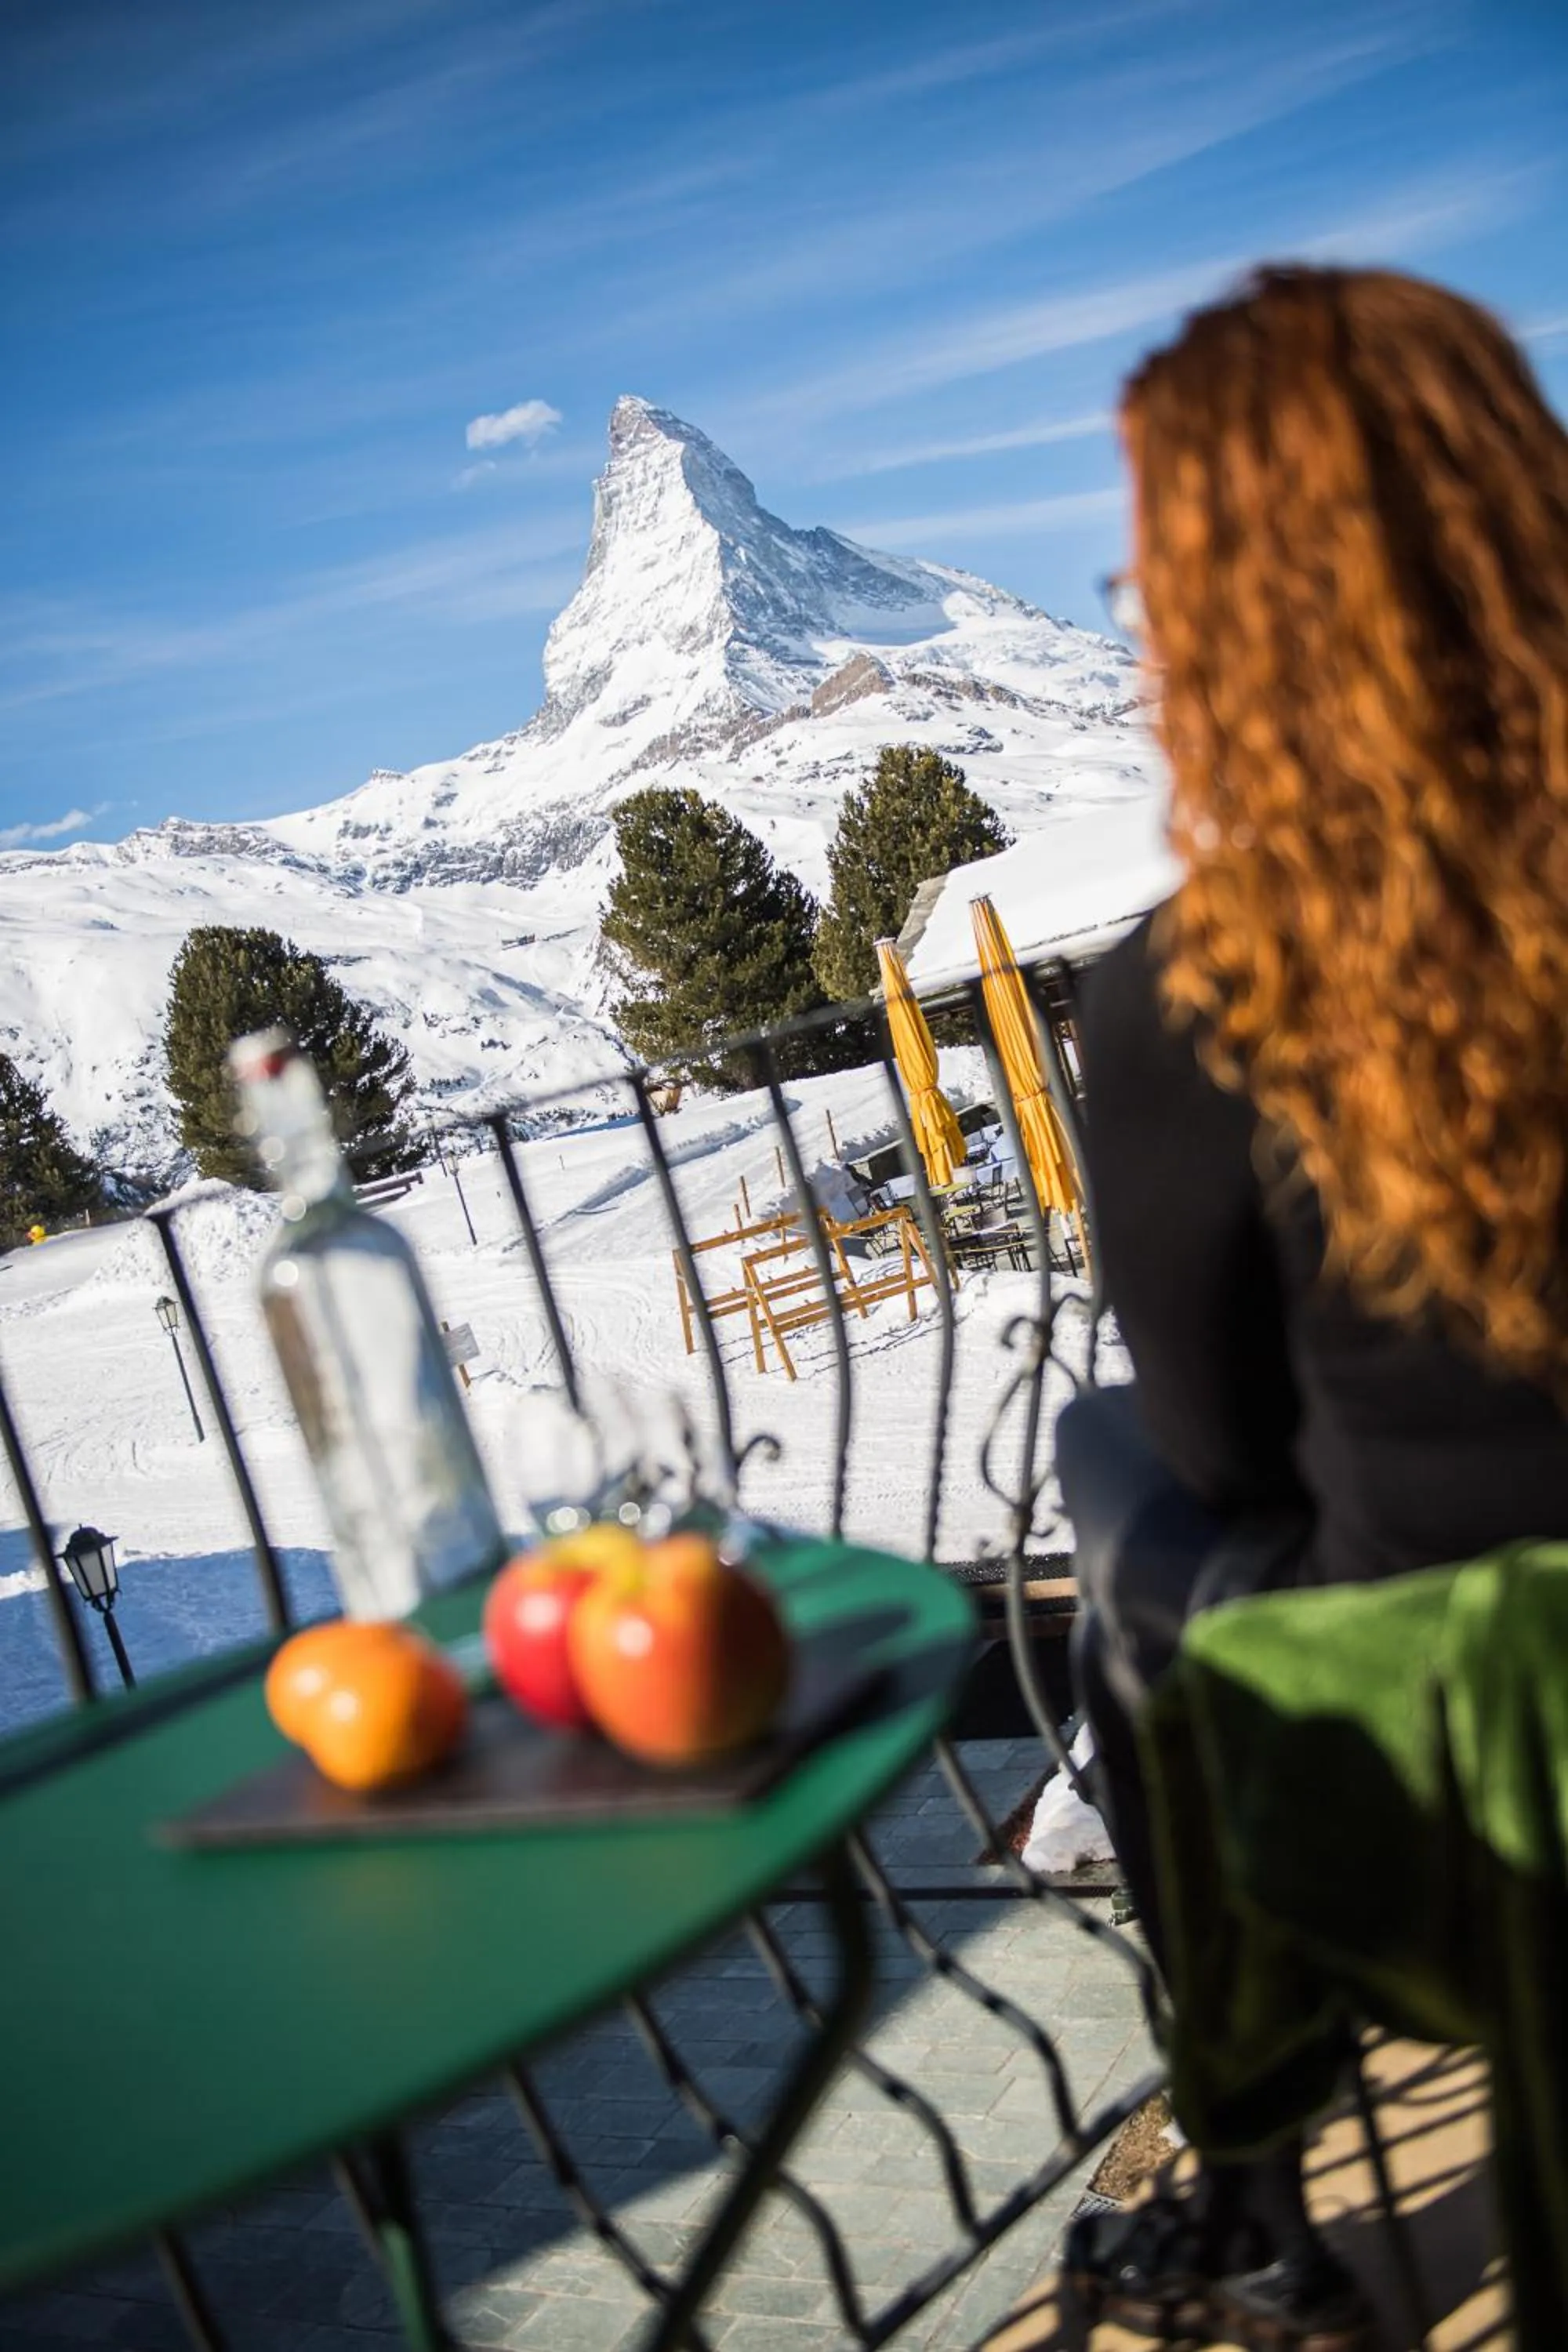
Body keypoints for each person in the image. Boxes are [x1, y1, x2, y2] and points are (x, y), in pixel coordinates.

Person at [1057, 264, 1568, 2349]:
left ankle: (1251, 2173)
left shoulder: (1203, 989)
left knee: (1118, 1480)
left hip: (1473, 1817)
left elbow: (1225, 1450)